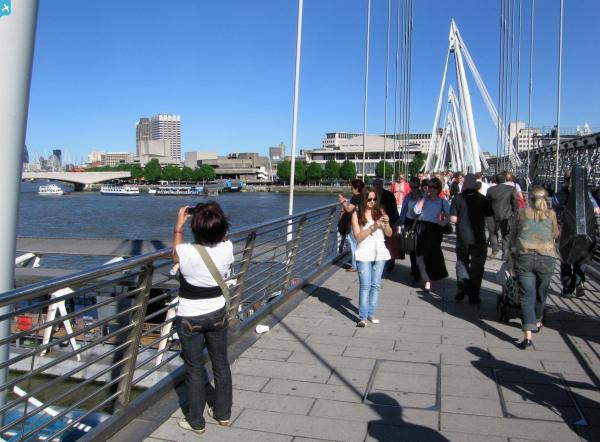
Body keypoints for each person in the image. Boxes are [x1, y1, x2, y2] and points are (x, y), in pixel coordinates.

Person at [172, 202, 234, 434]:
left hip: (190, 317)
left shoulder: (186, 251)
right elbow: (222, 235)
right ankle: (223, 413)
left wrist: (179, 226)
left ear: (195, 229)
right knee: (221, 363)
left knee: (194, 368)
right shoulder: (227, 248)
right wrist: (213, 216)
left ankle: (196, 421)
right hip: (217, 313)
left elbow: (174, 254)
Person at [510, 186, 559, 349]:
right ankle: (537, 319)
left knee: (526, 295)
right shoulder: (551, 214)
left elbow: (513, 235)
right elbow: (555, 234)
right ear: (546, 199)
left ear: (529, 199)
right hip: (547, 258)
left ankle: (528, 335)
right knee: (541, 293)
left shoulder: (521, 213)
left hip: (524, 257)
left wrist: (512, 253)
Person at [551, 170, 600, 297]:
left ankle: (567, 288)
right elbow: (597, 210)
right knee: (581, 258)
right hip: (584, 231)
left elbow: (553, 214)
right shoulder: (586, 195)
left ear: (565, 180)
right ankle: (579, 282)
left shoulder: (558, 196)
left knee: (565, 261)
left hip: (565, 232)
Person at [352, 186, 393, 327]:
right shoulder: (357, 214)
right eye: (369, 199)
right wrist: (373, 227)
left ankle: (371, 313)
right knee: (365, 285)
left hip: (379, 253)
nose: (372, 202)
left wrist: (386, 223)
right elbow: (358, 237)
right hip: (364, 253)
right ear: (364, 199)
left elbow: (389, 233)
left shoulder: (379, 211)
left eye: (375, 199)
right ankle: (362, 317)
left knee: (375, 285)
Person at [450, 174, 493, 304]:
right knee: (477, 266)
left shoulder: (457, 198)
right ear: (475, 184)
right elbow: (490, 220)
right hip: (478, 237)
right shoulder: (483, 199)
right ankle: (474, 294)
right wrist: (492, 235)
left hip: (462, 237)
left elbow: (453, 219)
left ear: (464, 184)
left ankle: (462, 284)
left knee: (461, 261)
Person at [413, 177, 450, 292]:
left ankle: (428, 280)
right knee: (419, 255)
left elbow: (449, 216)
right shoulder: (424, 199)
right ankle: (426, 278)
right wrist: (424, 197)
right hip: (421, 227)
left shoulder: (442, 201)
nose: (432, 189)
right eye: (430, 187)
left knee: (431, 254)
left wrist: (442, 223)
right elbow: (416, 211)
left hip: (434, 229)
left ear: (439, 189)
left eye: (435, 187)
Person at [486, 172, 518, 260]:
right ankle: (505, 253)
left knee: (493, 233)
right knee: (506, 234)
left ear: (496, 181)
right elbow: (515, 202)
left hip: (492, 215)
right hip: (506, 215)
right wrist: (514, 212)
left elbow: (487, 202)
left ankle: (494, 250)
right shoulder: (511, 189)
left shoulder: (490, 190)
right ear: (505, 180)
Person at [372, 178, 400, 273]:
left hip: (389, 221)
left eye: (378, 184)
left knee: (389, 243)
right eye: (375, 184)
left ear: (382, 185)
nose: (377, 186)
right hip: (376, 223)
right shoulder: (372, 196)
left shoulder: (389, 195)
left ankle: (390, 262)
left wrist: (394, 222)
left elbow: (394, 209)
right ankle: (380, 261)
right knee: (380, 242)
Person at [399, 176, 423, 283]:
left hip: (419, 223)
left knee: (418, 249)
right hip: (409, 222)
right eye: (412, 187)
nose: (413, 189)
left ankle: (418, 270)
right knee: (411, 248)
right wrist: (400, 222)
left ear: (419, 186)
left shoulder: (423, 197)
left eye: (415, 187)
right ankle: (414, 270)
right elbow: (404, 210)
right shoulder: (408, 196)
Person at [338, 179, 364, 272]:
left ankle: (354, 266)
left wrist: (342, 201)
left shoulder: (356, 197)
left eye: (352, 187)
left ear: (356, 188)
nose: (351, 189)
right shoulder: (363, 196)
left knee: (354, 244)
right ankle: (359, 264)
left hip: (355, 223)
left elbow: (349, 209)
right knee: (358, 244)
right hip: (362, 222)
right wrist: (347, 201)